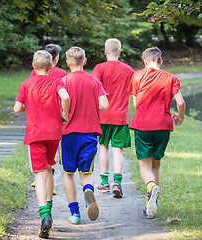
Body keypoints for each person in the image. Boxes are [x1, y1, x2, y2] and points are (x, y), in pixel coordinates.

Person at [14, 50, 70, 238]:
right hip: (54, 132)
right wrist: (65, 115)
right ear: (52, 66)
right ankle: (50, 207)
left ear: (33, 65)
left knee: (39, 173)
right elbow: (65, 97)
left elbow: (16, 109)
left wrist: (24, 106)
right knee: (49, 168)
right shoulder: (57, 82)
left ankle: (44, 214)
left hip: (35, 133)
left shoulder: (26, 84)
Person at [128, 47, 185, 219]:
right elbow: (180, 102)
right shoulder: (171, 78)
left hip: (143, 125)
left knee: (144, 166)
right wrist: (180, 117)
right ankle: (151, 204)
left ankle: (151, 187)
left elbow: (136, 104)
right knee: (156, 165)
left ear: (145, 62)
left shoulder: (137, 76)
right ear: (161, 61)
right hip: (163, 125)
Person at [60, 46, 108, 225]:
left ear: (67, 63)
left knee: (68, 172)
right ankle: (88, 191)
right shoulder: (94, 81)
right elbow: (104, 105)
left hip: (68, 134)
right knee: (86, 172)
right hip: (89, 133)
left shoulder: (63, 81)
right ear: (85, 61)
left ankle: (75, 214)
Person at [92, 38, 134, 198]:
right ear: (120, 52)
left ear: (105, 52)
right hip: (121, 117)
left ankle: (104, 183)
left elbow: (94, 88)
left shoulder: (99, 68)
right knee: (118, 150)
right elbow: (133, 91)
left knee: (103, 148)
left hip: (102, 116)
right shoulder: (128, 70)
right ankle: (117, 181)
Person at [30, 44, 67, 195]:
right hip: (55, 116)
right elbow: (66, 94)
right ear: (56, 59)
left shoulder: (34, 73)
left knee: (39, 150)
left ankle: (40, 178)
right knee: (52, 152)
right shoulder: (62, 73)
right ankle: (49, 180)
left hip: (38, 116)